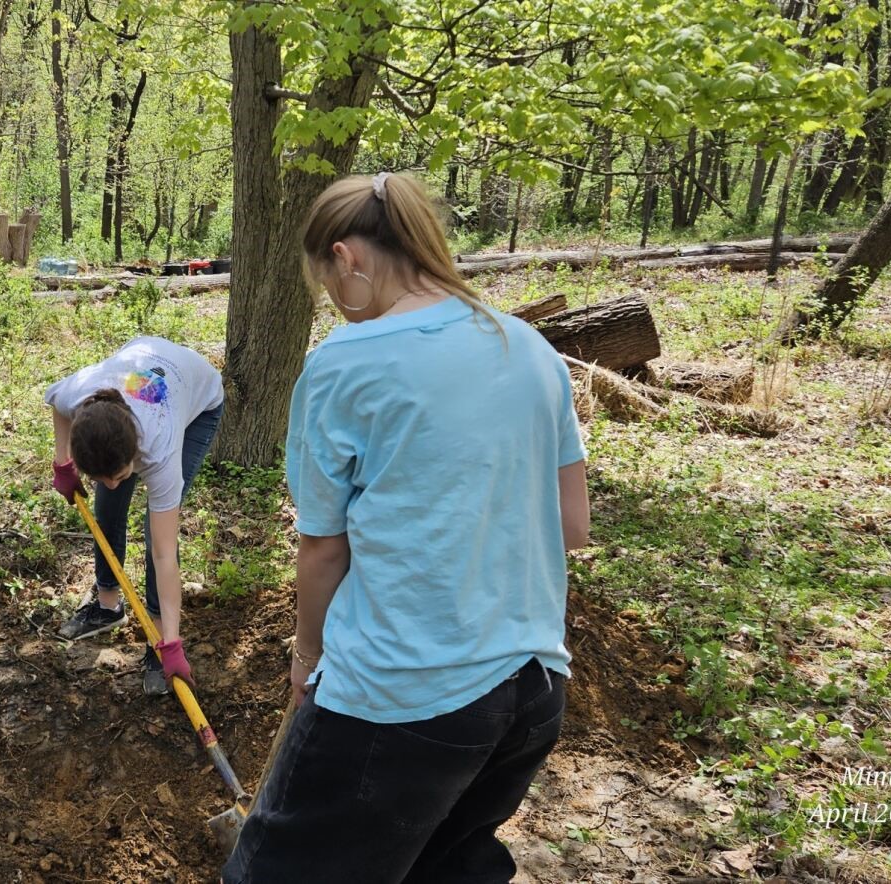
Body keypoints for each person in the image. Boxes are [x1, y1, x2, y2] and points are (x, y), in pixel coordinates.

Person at [223, 172, 591, 883]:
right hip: (530, 691)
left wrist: (306, 661)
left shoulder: (345, 363)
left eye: (326, 279)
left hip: (400, 697)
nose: (333, 297)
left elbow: (324, 551)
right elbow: (571, 524)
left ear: (347, 258)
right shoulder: (527, 345)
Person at [46, 336, 224, 695]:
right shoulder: (79, 395)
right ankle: (108, 605)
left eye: (122, 475)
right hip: (140, 374)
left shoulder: (160, 448)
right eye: (100, 476)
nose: (111, 483)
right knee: (108, 504)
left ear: (136, 456)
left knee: (155, 530)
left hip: (197, 399)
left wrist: (172, 642)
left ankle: (158, 640)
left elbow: (163, 552)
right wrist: (63, 464)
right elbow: (57, 404)